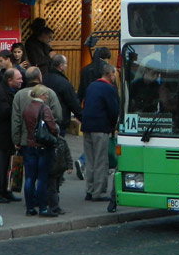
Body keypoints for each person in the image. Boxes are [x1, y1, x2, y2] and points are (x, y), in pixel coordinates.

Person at [44, 55, 83, 215]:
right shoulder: (63, 83)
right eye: (66, 64)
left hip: (42, 123)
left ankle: (44, 196)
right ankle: (53, 198)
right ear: (60, 66)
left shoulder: (44, 78)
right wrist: (81, 117)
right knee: (57, 160)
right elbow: (73, 103)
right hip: (59, 123)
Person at [13, 87, 58, 216]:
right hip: (42, 146)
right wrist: (56, 133)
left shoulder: (27, 107)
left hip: (29, 144)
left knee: (29, 178)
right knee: (42, 178)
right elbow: (52, 127)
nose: (47, 97)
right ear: (42, 95)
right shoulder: (45, 108)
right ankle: (43, 208)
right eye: (46, 95)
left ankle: (30, 208)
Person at [81, 63, 119, 202]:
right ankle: (99, 192)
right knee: (101, 161)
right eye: (114, 74)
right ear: (110, 74)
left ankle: (89, 190)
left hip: (87, 127)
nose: (115, 76)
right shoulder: (109, 89)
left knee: (90, 161)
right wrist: (114, 125)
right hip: (101, 128)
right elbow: (113, 110)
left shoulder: (91, 86)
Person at [0, 68, 22, 204]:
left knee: (8, 165)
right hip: (0, 136)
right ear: (9, 80)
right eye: (18, 78)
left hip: (8, 137)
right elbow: (4, 112)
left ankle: (7, 191)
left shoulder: (12, 92)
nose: (21, 81)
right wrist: (18, 108)